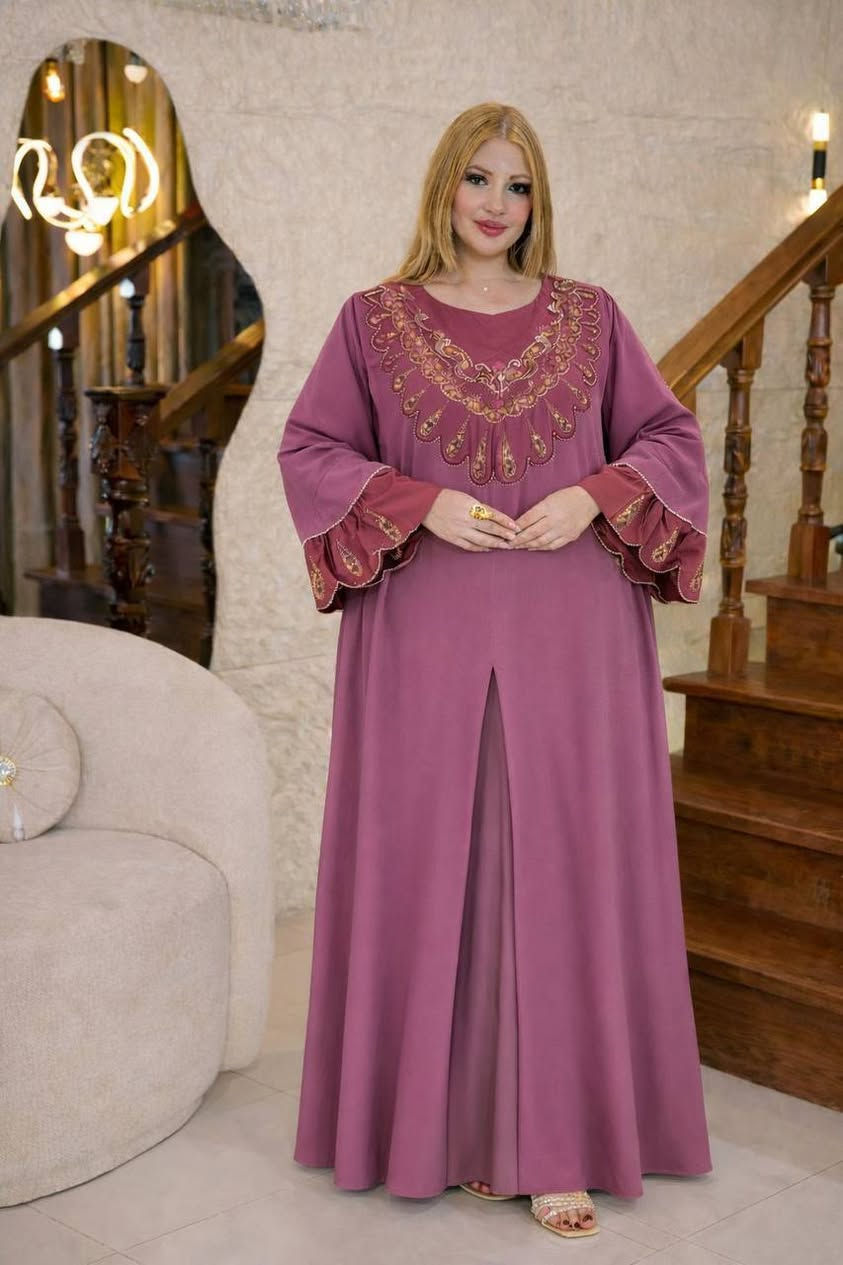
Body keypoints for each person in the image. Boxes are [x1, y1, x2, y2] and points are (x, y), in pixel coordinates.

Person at [276, 101, 713, 1241]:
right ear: (445, 184)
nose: (495, 204)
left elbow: (670, 440)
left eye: (517, 185)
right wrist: (421, 503)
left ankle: (557, 1144)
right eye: (478, 178)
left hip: (573, 631)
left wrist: (592, 494)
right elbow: (311, 449)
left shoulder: (591, 316)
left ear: (537, 200)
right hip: (424, 629)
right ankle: (457, 1131)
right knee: (440, 863)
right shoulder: (374, 320)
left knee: (561, 863)